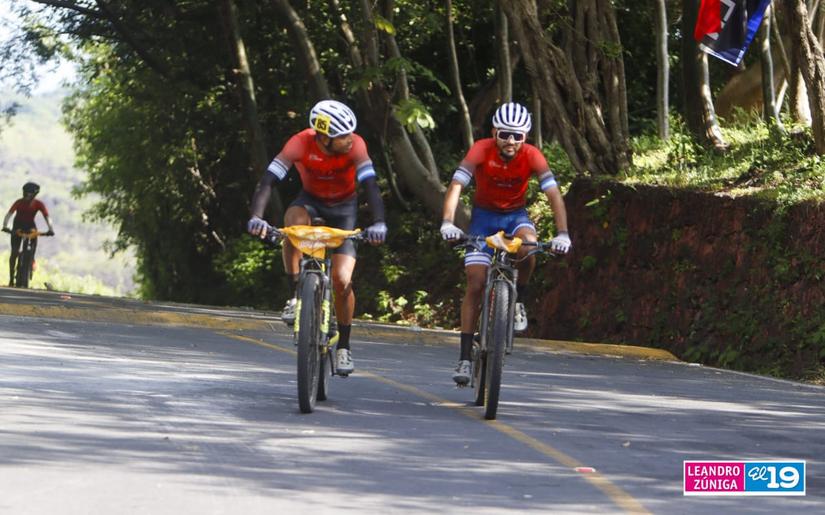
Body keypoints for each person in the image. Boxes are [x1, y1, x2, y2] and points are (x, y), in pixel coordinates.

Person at [247, 100, 387, 375]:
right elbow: (268, 181)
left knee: (342, 280)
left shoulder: (356, 145)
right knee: (292, 227)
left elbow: (370, 185)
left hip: (344, 208)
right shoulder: (299, 144)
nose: (350, 140)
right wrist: (256, 216)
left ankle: (344, 346)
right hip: (310, 201)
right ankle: (296, 296)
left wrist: (380, 223)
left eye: (350, 134)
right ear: (324, 137)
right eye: (343, 136)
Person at [440, 102, 571, 385]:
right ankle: (464, 358)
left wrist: (563, 233)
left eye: (517, 136)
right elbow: (456, 186)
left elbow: (554, 196)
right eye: (504, 135)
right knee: (475, 283)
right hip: (483, 219)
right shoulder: (481, 149)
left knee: (529, 247)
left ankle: (519, 301)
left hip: (515, 217)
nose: (510, 141)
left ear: (525, 138)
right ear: (494, 133)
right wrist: (448, 223)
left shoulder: (533, 156)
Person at [2, 182, 55, 287]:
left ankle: (30, 262)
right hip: (17, 227)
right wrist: (5, 226)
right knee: (14, 252)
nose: (26, 196)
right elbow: (9, 214)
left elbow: (46, 216)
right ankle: (12, 277)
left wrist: (50, 229)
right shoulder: (18, 202)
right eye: (25, 193)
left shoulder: (38, 204)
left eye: (29, 194)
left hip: (30, 228)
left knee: (31, 250)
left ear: (34, 195)